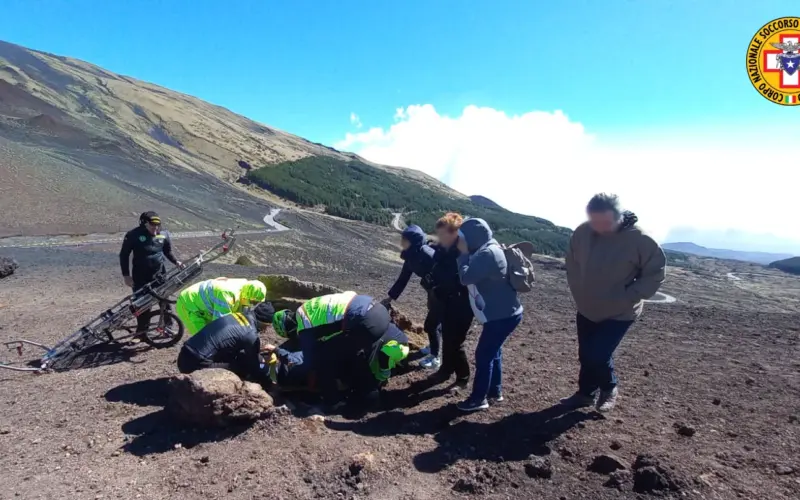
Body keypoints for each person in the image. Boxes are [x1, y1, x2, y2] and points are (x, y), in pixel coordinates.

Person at [561, 193, 666, 412]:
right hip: (587, 307)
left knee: (597, 354)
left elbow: (654, 274)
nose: (599, 227)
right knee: (585, 354)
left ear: (618, 216)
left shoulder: (641, 240)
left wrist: (627, 296)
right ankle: (585, 394)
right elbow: (571, 261)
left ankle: (610, 387)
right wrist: (578, 290)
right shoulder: (582, 232)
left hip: (619, 311)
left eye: (605, 222)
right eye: (594, 221)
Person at [454, 218, 523, 412]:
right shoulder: (489, 247)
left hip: (501, 317)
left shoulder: (487, 253)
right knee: (494, 352)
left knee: (483, 355)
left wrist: (462, 256)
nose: (461, 241)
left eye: (463, 238)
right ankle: (495, 391)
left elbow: (465, 278)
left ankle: (478, 399)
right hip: (507, 313)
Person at [425, 213, 474, 388]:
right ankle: (445, 370)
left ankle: (462, 378)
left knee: (455, 342)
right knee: (448, 337)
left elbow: (460, 279)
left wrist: (440, 286)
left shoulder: (463, 252)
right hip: (447, 300)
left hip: (462, 303)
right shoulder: (445, 250)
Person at [382, 225, 440, 369]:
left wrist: (436, 288)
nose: (401, 242)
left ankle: (435, 358)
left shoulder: (426, 253)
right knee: (434, 324)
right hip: (432, 292)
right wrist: (390, 298)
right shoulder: (410, 256)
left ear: (413, 241)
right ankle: (433, 347)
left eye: (404, 239)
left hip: (441, 292)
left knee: (431, 325)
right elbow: (403, 279)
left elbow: (443, 271)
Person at [177, 301, 276, 383]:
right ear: (264, 322)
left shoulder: (235, 315)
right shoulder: (250, 333)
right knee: (243, 366)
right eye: (267, 326)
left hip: (184, 355)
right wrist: (266, 374)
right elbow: (254, 364)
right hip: (195, 366)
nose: (266, 329)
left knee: (237, 354)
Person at [119, 211, 182, 333]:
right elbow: (124, 255)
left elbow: (167, 252)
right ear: (144, 224)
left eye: (158, 225)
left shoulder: (163, 234)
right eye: (152, 225)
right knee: (142, 305)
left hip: (159, 274)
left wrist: (176, 262)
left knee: (164, 301)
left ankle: (167, 326)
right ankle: (142, 332)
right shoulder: (133, 235)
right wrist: (126, 275)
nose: (156, 228)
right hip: (140, 276)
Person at [175, 278, 267, 336]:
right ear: (246, 295)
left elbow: (241, 314)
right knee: (203, 338)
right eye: (252, 301)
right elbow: (220, 324)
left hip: (205, 307)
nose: (253, 304)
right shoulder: (227, 295)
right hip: (188, 305)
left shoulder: (245, 288)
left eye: (256, 302)